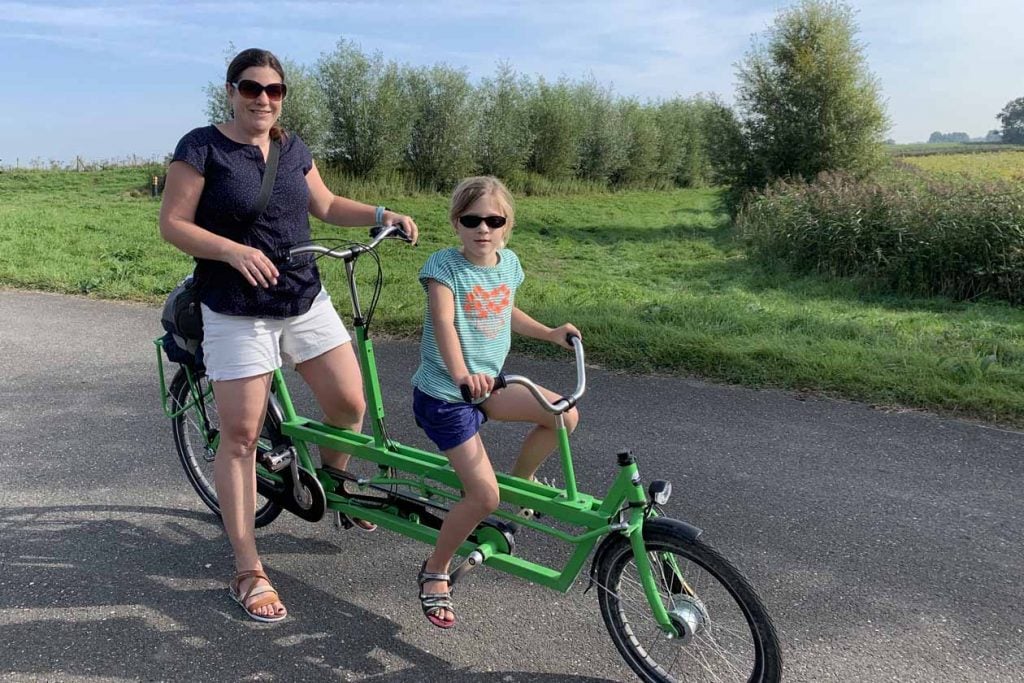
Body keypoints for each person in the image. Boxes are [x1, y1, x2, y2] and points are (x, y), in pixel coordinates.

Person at [158, 47, 419, 623]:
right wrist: (232, 250)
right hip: (235, 307)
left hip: (303, 296)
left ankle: (338, 488)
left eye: (275, 91)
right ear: (230, 90)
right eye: (252, 88)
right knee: (242, 436)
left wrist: (382, 213)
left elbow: (323, 204)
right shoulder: (201, 146)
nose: (264, 100)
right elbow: (172, 224)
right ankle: (247, 567)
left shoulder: (291, 147)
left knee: (348, 403)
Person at [410, 176, 580, 628]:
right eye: (471, 219)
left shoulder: (509, 265)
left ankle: (521, 481)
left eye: (493, 219)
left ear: (507, 226)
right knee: (483, 496)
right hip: (446, 395)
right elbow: (443, 322)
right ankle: (435, 571)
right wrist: (463, 375)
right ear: (456, 223)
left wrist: (548, 333)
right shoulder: (444, 267)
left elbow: (505, 310)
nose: (482, 228)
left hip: (488, 387)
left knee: (564, 415)